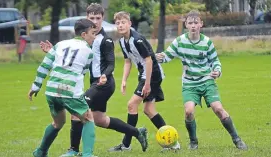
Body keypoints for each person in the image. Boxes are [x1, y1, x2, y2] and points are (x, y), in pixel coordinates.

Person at [39, 3, 148, 156]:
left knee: (77, 112)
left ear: (103, 18)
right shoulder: (84, 37)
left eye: (98, 18)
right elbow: (71, 58)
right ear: (87, 18)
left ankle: (74, 150)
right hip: (94, 84)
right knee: (100, 120)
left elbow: (111, 63)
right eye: (92, 18)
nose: (95, 21)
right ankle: (138, 132)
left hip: (104, 84)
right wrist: (52, 51)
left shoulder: (106, 40)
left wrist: (104, 75)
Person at [155, 10, 248, 150]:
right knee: (189, 112)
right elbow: (167, 56)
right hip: (189, 83)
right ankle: (193, 142)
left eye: (196, 23)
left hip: (207, 80)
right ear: (186, 24)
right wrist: (158, 57)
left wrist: (217, 70)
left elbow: (215, 60)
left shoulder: (206, 42)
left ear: (201, 24)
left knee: (218, 109)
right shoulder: (179, 41)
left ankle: (237, 139)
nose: (193, 25)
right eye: (190, 23)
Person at [108, 11, 180, 152]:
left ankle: (126, 144)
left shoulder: (137, 39)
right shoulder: (122, 41)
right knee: (148, 110)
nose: (120, 25)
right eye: (118, 23)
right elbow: (127, 61)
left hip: (152, 75)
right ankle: (173, 143)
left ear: (130, 23)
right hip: (145, 75)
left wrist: (147, 84)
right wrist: (124, 80)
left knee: (131, 105)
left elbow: (148, 60)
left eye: (123, 22)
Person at [29, 18, 100, 157]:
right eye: (93, 33)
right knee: (88, 118)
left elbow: (44, 66)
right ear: (84, 35)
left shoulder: (59, 45)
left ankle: (40, 152)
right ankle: (87, 154)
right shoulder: (88, 51)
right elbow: (82, 72)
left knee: (58, 123)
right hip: (69, 91)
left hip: (52, 90)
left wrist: (36, 86)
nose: (94, 36)